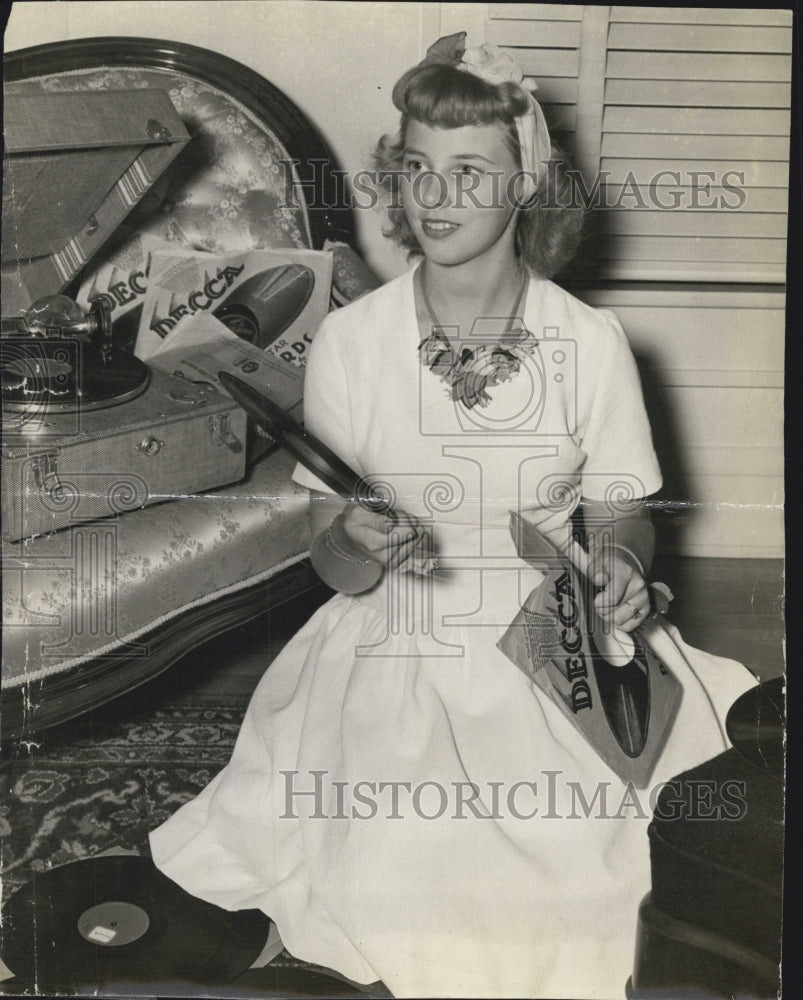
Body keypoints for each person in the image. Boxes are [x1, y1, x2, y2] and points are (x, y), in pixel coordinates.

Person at [150, 34, 756, 999]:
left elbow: (622, 515)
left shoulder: (590, 343)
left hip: (551, 627)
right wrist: (350, 541)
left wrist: (619, 565)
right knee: (409, 864)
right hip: (400, 631)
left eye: (470, 172)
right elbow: (330, 562)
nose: (437, 197)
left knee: (600, 863)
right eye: (418, 168)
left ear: (527, 189)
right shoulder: (350, 342)